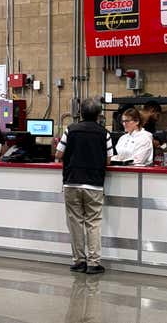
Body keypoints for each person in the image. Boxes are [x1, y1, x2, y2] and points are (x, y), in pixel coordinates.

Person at [55, 98, 113, 275]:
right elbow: (109, 159)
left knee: (75, 222)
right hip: (94, 184)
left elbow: (59, 154)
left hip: (72, 181)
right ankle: (93, 263)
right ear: (98, 114)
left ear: (80, 113)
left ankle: (78, 261)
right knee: (93, 223)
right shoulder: (104, 133)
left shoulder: (70, 130)